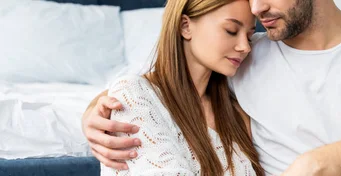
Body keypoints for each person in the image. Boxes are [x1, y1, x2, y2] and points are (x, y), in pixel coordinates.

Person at [83, 0, 341, 175]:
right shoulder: (247, 55)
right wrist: (99, 108)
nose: (257, 9)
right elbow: (166, 84)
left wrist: (314, 166)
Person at [97, 0, 264, 175]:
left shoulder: (236, 115)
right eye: (231, 31)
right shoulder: (134, 95)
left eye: (250, 36)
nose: (245, 47)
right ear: (185, 26)